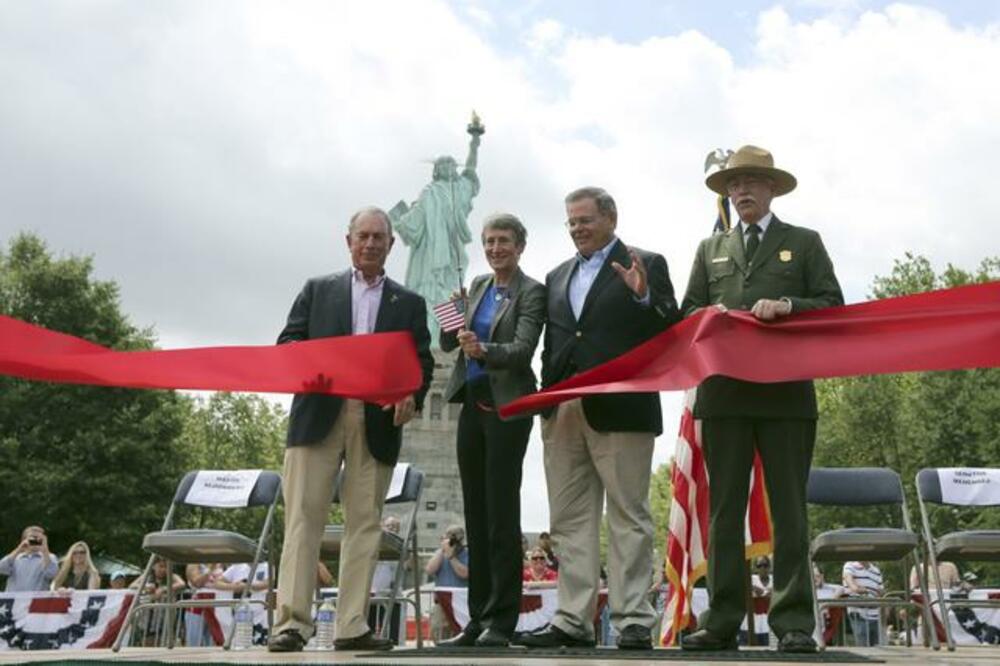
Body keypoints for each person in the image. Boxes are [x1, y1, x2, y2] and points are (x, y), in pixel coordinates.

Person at [679, 145, 844, 654]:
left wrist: (790, 306)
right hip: (724, 394)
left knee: (790, 510)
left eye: (752, 181)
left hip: (786, 395)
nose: (742, 190)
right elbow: (688, 314)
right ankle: (722, 618)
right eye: (734, 183)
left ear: (773, 188)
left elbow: (832, 305)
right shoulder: (710, 250)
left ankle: (794, 622)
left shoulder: (804, 242)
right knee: (723, 512)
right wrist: (715, 315)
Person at [519, 186, 680, 651]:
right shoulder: (555, 275)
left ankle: (632, 619)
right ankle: (572, 619)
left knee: (628, 515)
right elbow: (557, 341)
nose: (576, 229)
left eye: (584, 220)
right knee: (569, 520)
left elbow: (671, 327)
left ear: (610, 217)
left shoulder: (646, 262)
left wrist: (644, 295)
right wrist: (547, 398)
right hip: (563, 410)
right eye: (571, 222)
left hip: (622, 408)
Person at [267, 206, 434, 653]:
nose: (371, 243)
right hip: (318, 413)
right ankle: (291, 624)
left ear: (392, 245)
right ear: (348, 241)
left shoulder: (410, 304)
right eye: (363, 236)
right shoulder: (317, 290)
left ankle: (352, 624)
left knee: (366, 523)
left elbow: (422, 364)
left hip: (375, 420)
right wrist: (314, 363)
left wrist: (410, 395)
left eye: (380, 237)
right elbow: (288, 343)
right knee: (304, 519)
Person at [437, 212, 546, 649]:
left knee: (502, 516)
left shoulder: (532, 291)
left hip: (507, 409)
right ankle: (477, 618)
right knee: (476, 515)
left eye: (503, 241)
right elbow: (450, 344)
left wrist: (484, 349)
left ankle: (502, 619)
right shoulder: (479, 286)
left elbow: (522, 350)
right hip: (471, 407)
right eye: (489, 241)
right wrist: (453, 316)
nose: (495, 248)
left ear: (520, 246)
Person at [389, 122, 482, 337]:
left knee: (450, 292)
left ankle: (448, 338)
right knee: (428, 291)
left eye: (451, 165)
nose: (449, 167)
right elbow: (415, 221)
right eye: (443, 165)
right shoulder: (429, 193)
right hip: (429, 252)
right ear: (437, 170)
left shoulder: (460, 189)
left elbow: (470, 170)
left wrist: (474, 143)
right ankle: (427, 337)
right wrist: (401, 219)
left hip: (452, 250)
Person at [425, 525, 470, 644]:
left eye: (455, 536)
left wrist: (451, 557)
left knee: (460, 631)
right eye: (449, 535)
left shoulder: (468, 554)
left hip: (462, 603)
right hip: (442, 602)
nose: (452, 540)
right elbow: (430, 570)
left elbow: (464, 574)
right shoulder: (439, 554)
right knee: (438, 629)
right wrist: (443, 550)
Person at [0, 525, 58, 592]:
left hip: (36, 600)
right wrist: (19, 549)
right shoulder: (15, 557)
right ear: (24, 539)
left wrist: (45, 549)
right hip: (14, 600)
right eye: (33, 537)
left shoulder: (49, 557)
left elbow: (51, 574)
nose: (36, 540)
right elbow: (1, 568)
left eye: (39, 538)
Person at [843, 560, 883, 646]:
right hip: (858, 612)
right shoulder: (850, 565)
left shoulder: (876, 570)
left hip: (875, 614)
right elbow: (850, 582)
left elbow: (880, 592)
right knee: (863, 644)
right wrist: (857, 589)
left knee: (877, 646)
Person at [184, 563, 223, 647]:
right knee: (194, 644)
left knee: (214, 642)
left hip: (216, 606)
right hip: (197, 608)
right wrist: (210, 570)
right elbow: (197, 583)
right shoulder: (194, 564)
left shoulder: (221, 563)